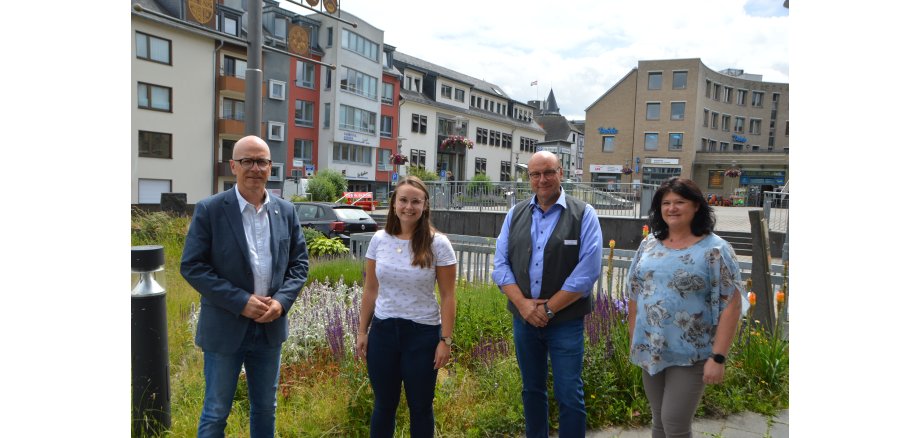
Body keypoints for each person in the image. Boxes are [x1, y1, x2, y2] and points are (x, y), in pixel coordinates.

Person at [180, 135, 309, 438]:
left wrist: (281, 302)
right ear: (233, 166)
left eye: (261, 161)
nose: (255, 168)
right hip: (225, 327)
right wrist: (240, 301)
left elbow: (299, 264)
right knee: (215, 412)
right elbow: (192, 266)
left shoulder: (286, 211)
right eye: (247, 161)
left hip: (269, 327)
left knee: (266, 408)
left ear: (270, 167)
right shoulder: (210, 209)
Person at [492, 151, 603, 438]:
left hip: (565, 322)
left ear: (561, 173)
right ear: (528, 178)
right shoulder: (515, 214)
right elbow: (501, 265)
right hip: (524, 320)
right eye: (535, 174)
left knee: (569, 393)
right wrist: (524, 306)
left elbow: (587, 272)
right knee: (532, 390)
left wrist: (549, 309)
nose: (542, 179)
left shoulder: (583, 214)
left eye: (548, 172)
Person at [626, 177, 746, 438]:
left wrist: (718, 357)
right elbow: (635, 294)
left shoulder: (715, 250)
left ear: (696, 207)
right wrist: (634, 339)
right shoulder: (648, 244)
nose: (672, 208)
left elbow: (732, 306)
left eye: (680, 202)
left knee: (675, 425)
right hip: (651, 350)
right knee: (658, 422)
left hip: (690, 353)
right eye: (666, 203)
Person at [356, 176, 458, 437]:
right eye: (403, 200)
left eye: (416, 201)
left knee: (421, 406)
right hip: (383, 332)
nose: (408, 207)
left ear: (425, 206)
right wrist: (362, 331)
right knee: (384, 405)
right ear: (393, 204)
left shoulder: (438, 244)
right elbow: (370, 289)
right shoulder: (379, 240)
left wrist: (445, 340)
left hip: (422, 334)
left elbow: (448, 296)